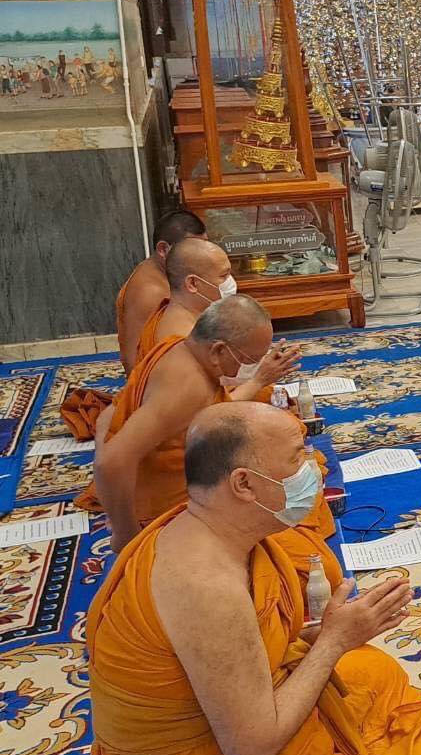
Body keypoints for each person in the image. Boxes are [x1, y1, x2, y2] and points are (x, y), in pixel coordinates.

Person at [42, 401, 421, 755]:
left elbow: (257, 650)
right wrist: (330, 644)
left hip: (237, 725)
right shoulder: (204, 583)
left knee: (374, 667)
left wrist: (332, 635)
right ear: (243, 484)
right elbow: (249, 748)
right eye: (297, 458)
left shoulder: (214, 529)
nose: (311, 468)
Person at [84, 296, 302, 551]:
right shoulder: (188, 386)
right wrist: (127, 536)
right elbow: (111, 461)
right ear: (218, 350)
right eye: (251, 360)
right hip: (172, 509)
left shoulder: (178, 346)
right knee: (294, 540)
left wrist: (258, 380)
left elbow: (109, 415)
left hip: (182, 480)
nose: (252, 367)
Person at [118, 210, 207, 376]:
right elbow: (133, 362)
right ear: (163, 249)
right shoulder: (150, 291)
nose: (201, 256)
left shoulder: (173, 273)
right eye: (192, 249)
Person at [138, 238, 237, 356]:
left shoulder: (176, 313)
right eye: (224, 275)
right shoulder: (186, 340)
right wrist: (259, 375)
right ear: (192, 284)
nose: (230, 281)